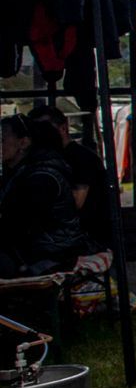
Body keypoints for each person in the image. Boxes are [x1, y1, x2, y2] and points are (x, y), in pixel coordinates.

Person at [0, 113, 94, 277]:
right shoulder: (18, 173)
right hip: (34, 249)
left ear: (23, 142)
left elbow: (20, 223)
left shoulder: (42, 177)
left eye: (2, 140)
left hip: (51, 252)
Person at [26, 103, 113, 250]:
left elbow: (77, 202)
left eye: (45, 129)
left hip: (86, 236)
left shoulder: (82, 159)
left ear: (63, 128)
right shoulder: (49, 159)